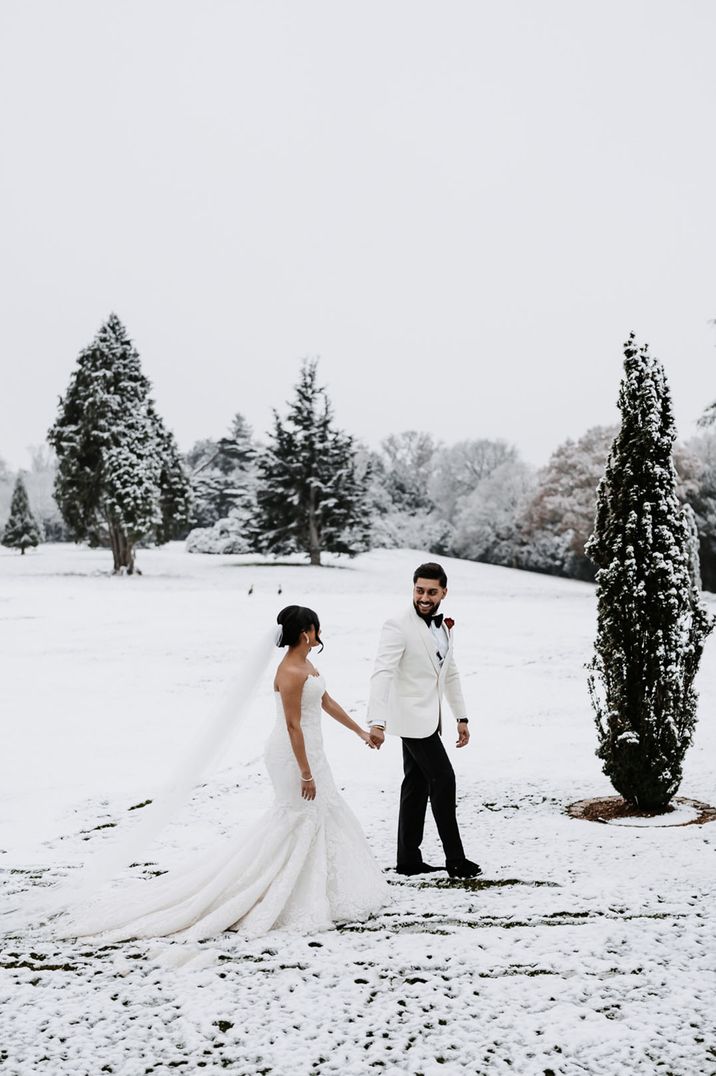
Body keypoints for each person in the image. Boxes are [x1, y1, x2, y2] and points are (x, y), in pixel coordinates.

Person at [47, 606, 388, 942]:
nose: (319, 635)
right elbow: (292, 725)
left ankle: (324, 888)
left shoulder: (308, 665)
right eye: (316, 629)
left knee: (320, 815)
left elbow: (326, 702)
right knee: (297, 819)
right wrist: (305, 773)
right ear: (305, 632)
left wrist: (359, 731)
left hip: (313, 753)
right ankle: (268, 890)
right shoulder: (290, 672)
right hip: (292, 756)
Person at [367, 562, 481, 879]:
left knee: (415, 786)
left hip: (431, 718)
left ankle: (408, 860)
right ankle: (455, 860)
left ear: (444, 591)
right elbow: (382, 673)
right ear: (413, 589)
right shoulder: (397, 625)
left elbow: (450, 672)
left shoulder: (443, 626)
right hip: (409, 719)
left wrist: (462, 716)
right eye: (419, 590)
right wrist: (377, 720)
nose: (425, 597)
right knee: (443, 780)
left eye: (432, 591)